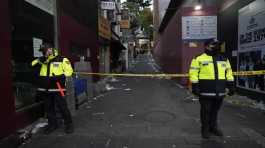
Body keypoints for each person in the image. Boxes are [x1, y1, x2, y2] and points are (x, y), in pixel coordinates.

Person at [189, 38, 235, 139]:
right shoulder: (198, 58)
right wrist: (195, 87)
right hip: (205, 91)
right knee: (206, 111)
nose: (216, 46)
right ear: (206, 46)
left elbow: (229, 73)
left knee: (215, 111)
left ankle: (213, 127)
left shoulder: (224, 59)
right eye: (213, 44)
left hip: (220, 92)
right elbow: (193, 73)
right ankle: (205, 129)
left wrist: (231, 86)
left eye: (218, 44)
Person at [31, 43, 74, 134]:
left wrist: (59, 77)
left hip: (58, 88)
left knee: (63, 107)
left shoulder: (62, 59)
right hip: (45, 89)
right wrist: (39, 60)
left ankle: (69, 125)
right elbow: (32, 65)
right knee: (49, 108)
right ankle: (52, 125)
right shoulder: (43, 60)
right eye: (42, 51)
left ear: (51, 49)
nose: (44, 53)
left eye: (45, 51)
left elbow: (69, 71)